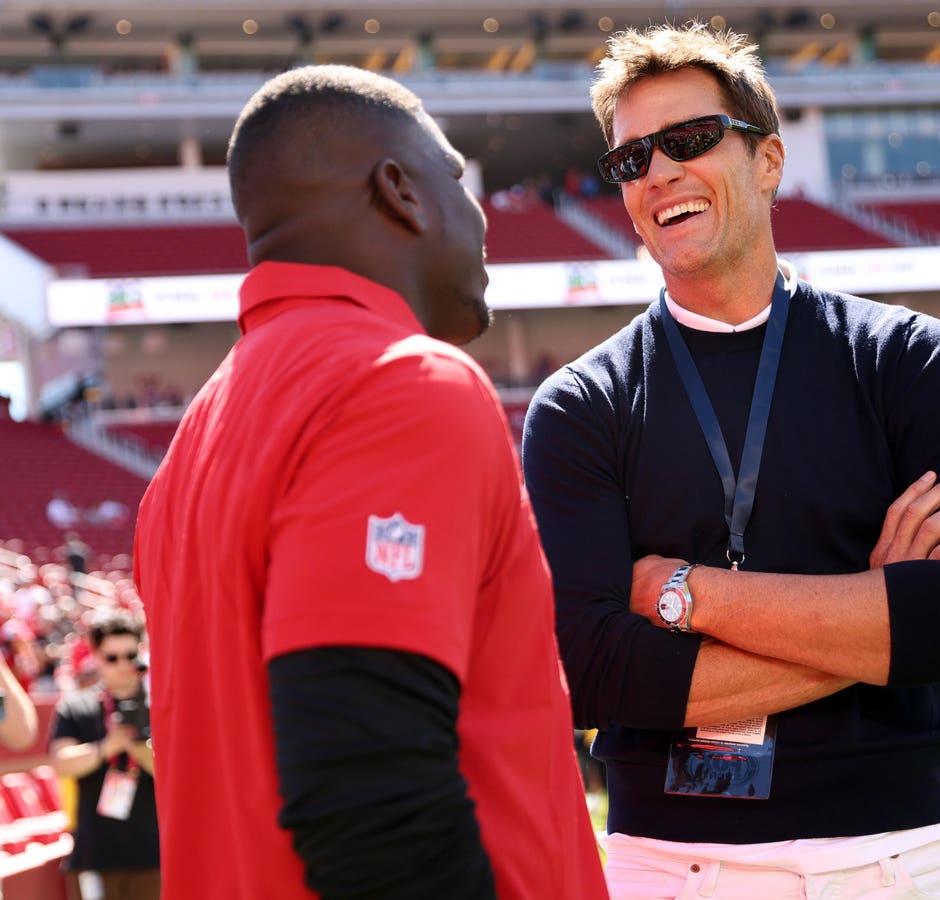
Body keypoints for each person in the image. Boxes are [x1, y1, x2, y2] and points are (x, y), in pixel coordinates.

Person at [521, 22, 940, 899]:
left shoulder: (907, 357)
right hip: (673, 864)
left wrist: (687, 593)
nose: (658, 172)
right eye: (631, 159)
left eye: (687, 140)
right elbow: (592, 676)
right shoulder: (580, 404)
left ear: (768, 161)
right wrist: (880, 619)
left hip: (899, 852)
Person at [132, 65, 606, 900]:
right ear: (400, 192)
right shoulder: (400, 383)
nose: (480, 213)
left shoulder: (194, 442)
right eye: (458, 179)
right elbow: (371, 798)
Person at [49, 609, 158, 900]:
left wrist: (138, 748)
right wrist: (107, 747)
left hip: (156, 853)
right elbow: (62, 764)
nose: (123, 665)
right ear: (96, 657)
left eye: (130, 655)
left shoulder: (162, 703)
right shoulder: (76, 706)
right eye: (112, 657)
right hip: (97, 853)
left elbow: (178, 776)